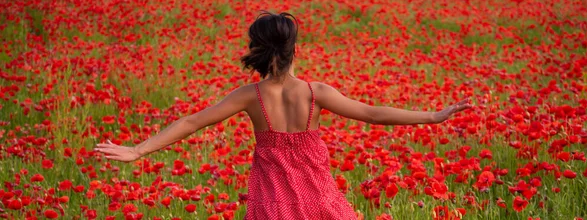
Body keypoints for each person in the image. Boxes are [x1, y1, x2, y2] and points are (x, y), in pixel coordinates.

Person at [94, 11, 472, 219]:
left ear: (256, 50)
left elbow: (193, 122)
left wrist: (138, 150)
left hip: (272, 204)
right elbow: (372, 114)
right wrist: (432, 117)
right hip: (320, 203)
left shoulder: (249, 97)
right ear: (294, 49)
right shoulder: (314, 92)